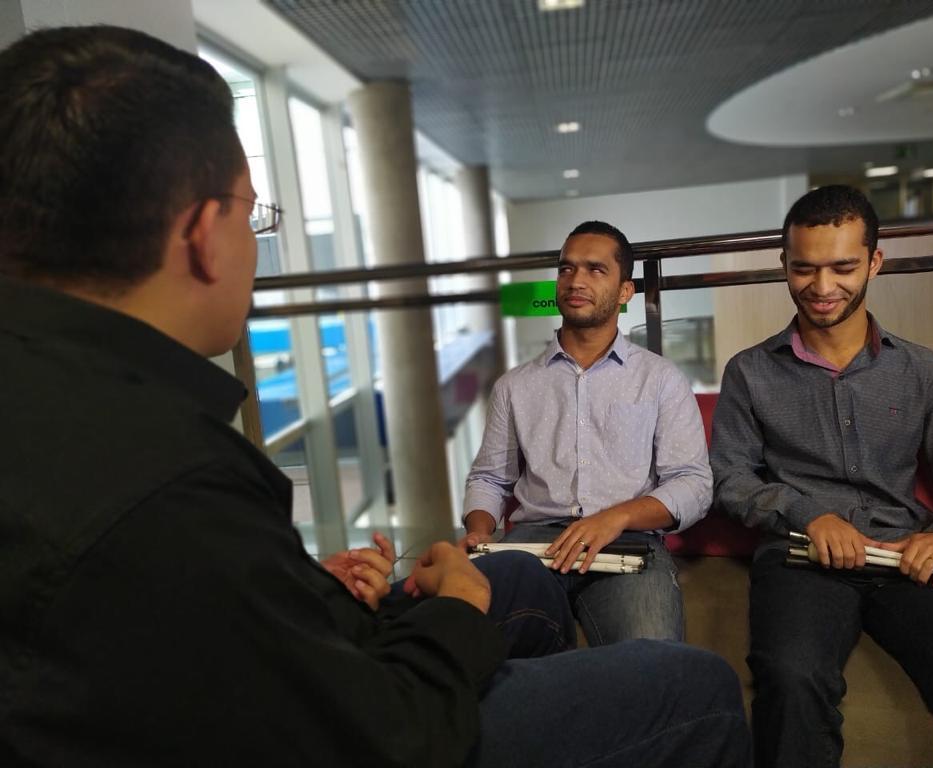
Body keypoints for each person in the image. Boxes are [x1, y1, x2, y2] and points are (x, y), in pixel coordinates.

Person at [0, 25, 751, 767]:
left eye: (593, 270)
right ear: (202, 234)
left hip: (605, 558)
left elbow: (222, 615)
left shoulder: (74, 415)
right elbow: (383, 728)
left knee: (521, 584)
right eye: (255, 215)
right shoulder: (176, 473)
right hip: (378, 720)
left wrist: (323, 588)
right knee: (700, 684)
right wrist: (453, 600)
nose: (574, 281)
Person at [709, 184, 933, 767]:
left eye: (843, 267)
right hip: (802, 558)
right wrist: (808, 514)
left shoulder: (925, 371)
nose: (822, 287)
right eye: (803, 268)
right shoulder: (749, 372)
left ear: (875, 262)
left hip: (905, 555)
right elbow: (730, 477)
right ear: (783, 264)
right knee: (791, 677)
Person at [463, 220, 712, 644]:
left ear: (625, 291)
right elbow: (489, 478)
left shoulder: (660, 379)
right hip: (532, 544)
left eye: (596, 270)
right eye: (566, 269)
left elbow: (694, 484)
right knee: (483, 646)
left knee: (651, 659)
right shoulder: (515, 385)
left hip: (627, 540)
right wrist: (480, 530)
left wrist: (616, 517)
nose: (576, 280)